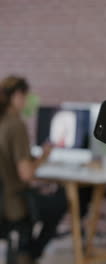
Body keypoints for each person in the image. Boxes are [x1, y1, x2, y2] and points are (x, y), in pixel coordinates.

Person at [0, 76, 67, 264]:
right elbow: (26, 174)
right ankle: (29, 253)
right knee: (61, 200)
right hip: (15, 203)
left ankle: (24, 250)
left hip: (3, 199)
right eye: (25, 96)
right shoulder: (15, 125)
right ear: (17, 96)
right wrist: (44, 157)